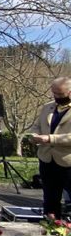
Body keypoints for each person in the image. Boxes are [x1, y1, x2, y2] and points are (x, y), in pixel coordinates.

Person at [28, 76, 71, 217]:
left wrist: (50, 139)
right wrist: (34, 136)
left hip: (68, 161)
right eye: (54, 93)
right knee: (50, 199)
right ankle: (50, 224)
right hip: (47, 159)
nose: (56, 97)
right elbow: (37, 126)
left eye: (60, 94)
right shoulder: (48, 107)